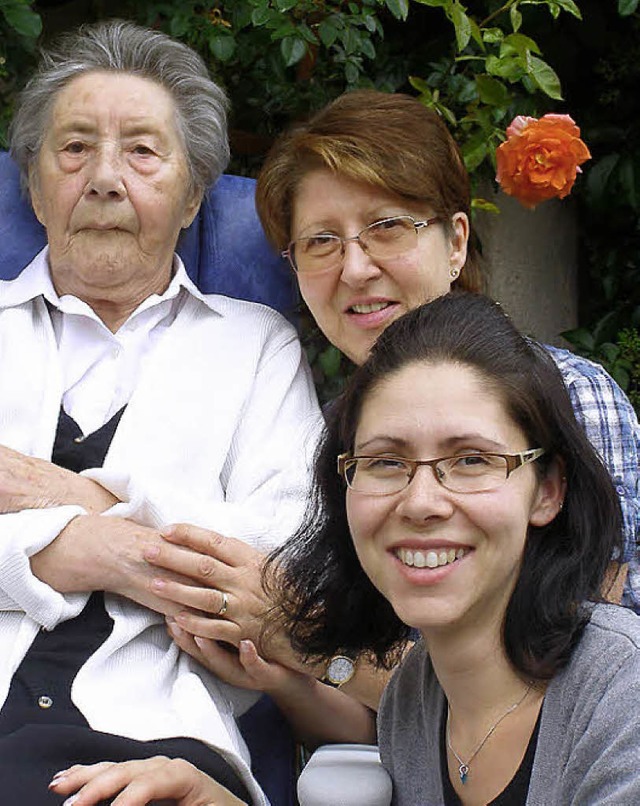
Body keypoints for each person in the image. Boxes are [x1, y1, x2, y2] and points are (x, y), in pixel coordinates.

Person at [122, 90, 638, 709]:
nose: (355, 268)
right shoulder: (326, 435)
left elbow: (573, 693)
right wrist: (277, 673)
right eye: (321, 242)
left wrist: (297, 634)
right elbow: (378, 730)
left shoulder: (570, 399)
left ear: (455, 243)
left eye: (387, 227)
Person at [50, 293, 640, 805]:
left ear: (549, 490)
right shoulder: (420, 700)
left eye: (470, 460)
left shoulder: (620, 700)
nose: (421, 501)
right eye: (385, 462)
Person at [0, 17, 368, 805]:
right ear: (32, 185)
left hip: (152, 748)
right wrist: (92, 552)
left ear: (194, 194)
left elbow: (288, 547)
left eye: (141, 150)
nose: (104, 178)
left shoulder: (253, 346)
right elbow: (222, 549)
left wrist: (75, 499)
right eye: (73, 150)